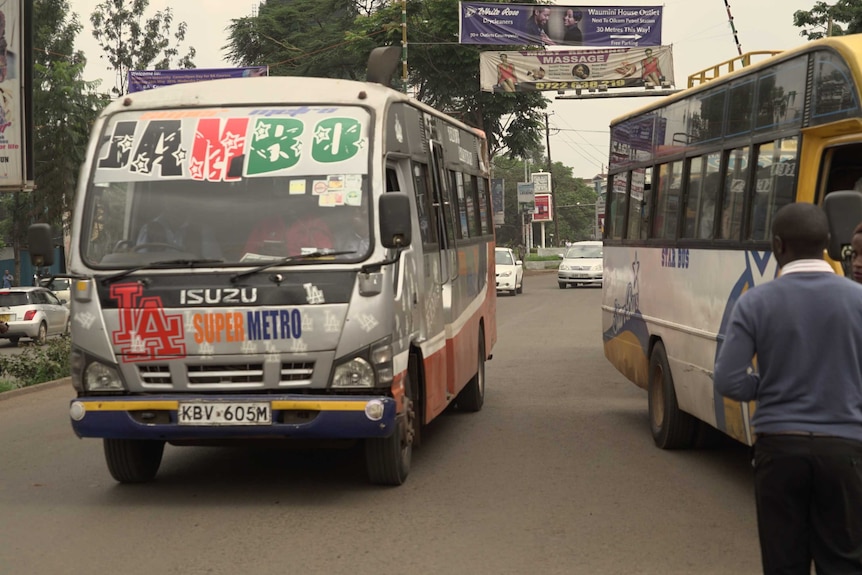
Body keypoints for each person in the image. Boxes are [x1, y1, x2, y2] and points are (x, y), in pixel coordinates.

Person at [713, 202, 862, 574]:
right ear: (827, 243)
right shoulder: (857, 299)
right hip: (845, 452)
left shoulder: (755, 302)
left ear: (777, 246)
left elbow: (728, 379)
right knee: (844, 563)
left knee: (784, 564)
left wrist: (772, 385)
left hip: (779, 450)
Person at [136, 210, 223, 259]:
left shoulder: (203, 231)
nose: (174, 206)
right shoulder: (148, 228)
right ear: (164, 200)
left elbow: (213, 262)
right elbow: (140, 261)